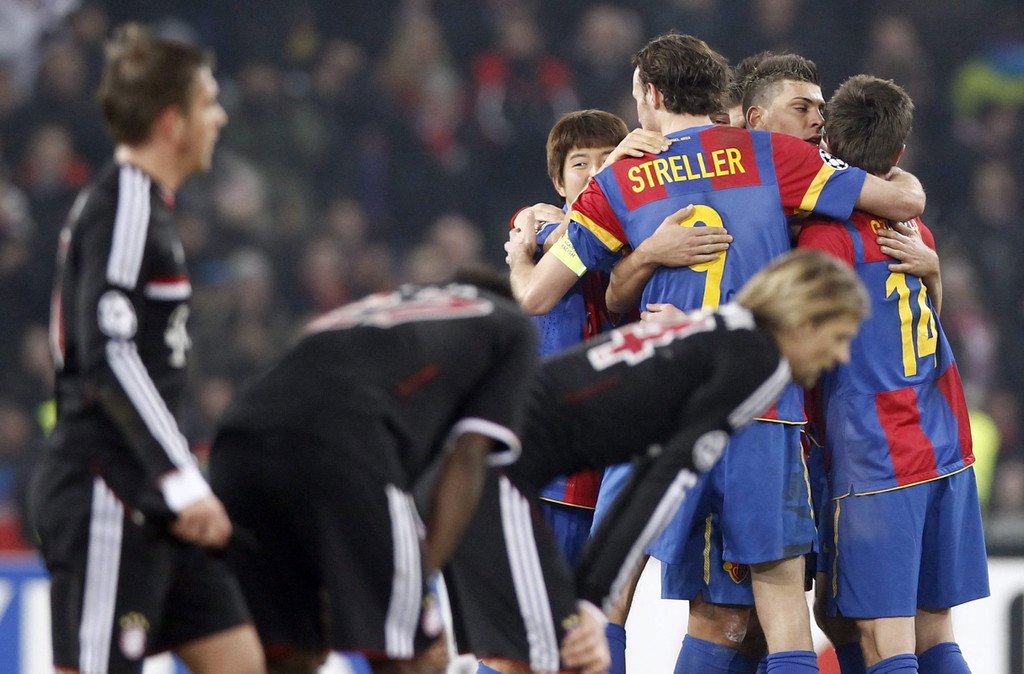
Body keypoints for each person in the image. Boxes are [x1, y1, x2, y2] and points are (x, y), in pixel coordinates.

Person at [506, 33, 925, 674]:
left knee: (610, 595)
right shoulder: (770, 154)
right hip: (763, 405)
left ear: (651, 94)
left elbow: (538, 296)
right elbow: (900, 200)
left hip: (659, 403)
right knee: (777, 600)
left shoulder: (618, 181)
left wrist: (519, 255)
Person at [208, 277, 609, 674]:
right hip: (342, 443)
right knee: (414, 653)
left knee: (286, 650)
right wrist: (419, 580)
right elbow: (470, 458)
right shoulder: (509, 326)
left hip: (236, 443)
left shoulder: (381, 306)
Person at [28, 24, 263, 674]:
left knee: (241, 663)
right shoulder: (125, 205)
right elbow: (112, 353)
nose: (219, 117)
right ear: (171, 123)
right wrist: (180, 479)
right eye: (207, 102)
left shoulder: (144, 207)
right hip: (108, 486)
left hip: (150, 492)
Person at [798, 75, 989, 674]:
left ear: (827, 143)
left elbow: (802, 343)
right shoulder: (914, 230)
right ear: (899, 152)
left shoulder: (825, 239)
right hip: (946, 446)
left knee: (885, 640)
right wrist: (934, 273)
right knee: (935, 630)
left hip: (879, 459)